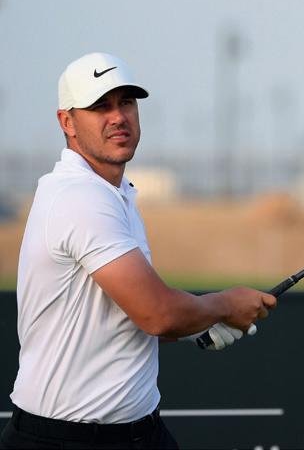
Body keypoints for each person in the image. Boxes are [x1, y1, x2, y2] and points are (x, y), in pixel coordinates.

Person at [0, 52, 277, 449]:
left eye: (126, 102)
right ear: (67, 122)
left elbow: (124, 315)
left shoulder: (116, 195)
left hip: (139, 432)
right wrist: (223, 305)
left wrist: (196, 324)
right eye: (100, 106)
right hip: (64, 439)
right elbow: (156, 314)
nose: (118, 117)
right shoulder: (79, 196)